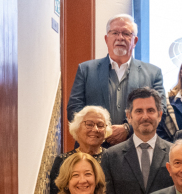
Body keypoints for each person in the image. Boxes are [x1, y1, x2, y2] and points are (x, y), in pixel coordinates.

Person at [67, 14, 165, 145]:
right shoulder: (86, 70)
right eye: (115, 33)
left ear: (134, 41)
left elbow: (160, 110)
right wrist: (101, 130)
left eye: (126, 33)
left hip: (135, 149)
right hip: (92, 149)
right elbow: (74, 110)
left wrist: (128, 129)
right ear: (106, 39)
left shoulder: (153, 73)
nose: (120, 38)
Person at [102, 88, 174, 194]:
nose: (145, 117)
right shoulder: (111, 156)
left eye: (150, 110)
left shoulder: (173, 153)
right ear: (129, 116)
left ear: (160, 115)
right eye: (139, 111)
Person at [47, 106, 111, 194]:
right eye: (89, 124)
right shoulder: (63, 161)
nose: (95, 129)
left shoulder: (113, 158)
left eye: (100, 125)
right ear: (77, 128)